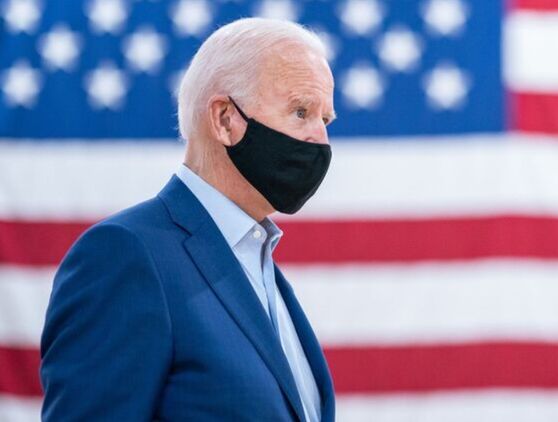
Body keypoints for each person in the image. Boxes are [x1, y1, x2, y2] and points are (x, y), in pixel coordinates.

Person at [40, 17, 336, 421]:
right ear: (225, 119)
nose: (320, 139)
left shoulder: (258, 260)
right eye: (301, 111)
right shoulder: (125, 256)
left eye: (325, 119)